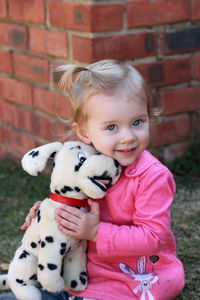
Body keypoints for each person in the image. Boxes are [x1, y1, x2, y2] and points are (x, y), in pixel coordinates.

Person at [1, 60, 185, 300]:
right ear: (85, 133)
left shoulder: (152, 176)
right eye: (111, 127)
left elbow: (153, 237)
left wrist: (95, 231)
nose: (128, 137)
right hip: (83, 269)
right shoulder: (82, 164)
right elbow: (70, 199)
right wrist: (50, 214)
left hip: (132, 275)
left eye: (137, 122)